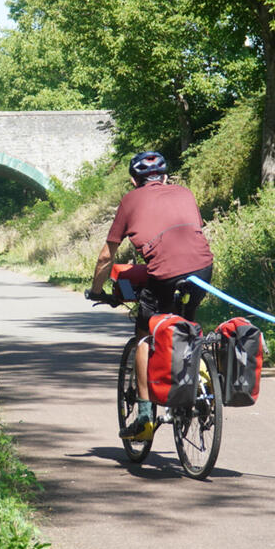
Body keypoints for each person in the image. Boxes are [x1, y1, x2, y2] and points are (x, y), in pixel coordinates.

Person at [88, 151, 214, 441]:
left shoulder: (130, 200)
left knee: (146, 336)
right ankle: (202, 381)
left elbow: (108, 255)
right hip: (203, 269)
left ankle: (144, 417)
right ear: (166, 177)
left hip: (165, 274)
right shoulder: (185, 192)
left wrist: (97, 290)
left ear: (134, 180)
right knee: (186, 323)